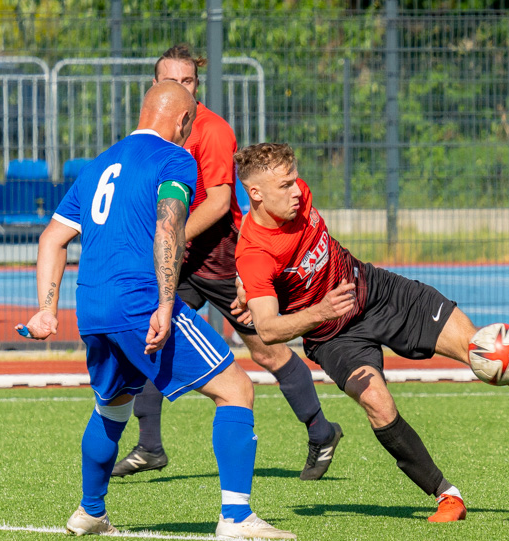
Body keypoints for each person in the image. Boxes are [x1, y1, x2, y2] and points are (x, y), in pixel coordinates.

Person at [231, 142, 509, 523]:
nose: (298, 191)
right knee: (378, 404)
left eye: (296, 180)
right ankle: (446, 495)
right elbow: (266, 330)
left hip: (377, 292)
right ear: (256, 194)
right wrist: (317, 309)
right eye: (285, 186)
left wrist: (254, 287)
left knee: (484, 349)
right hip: (332, 334)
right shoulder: (255, 254)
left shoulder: (296, 198)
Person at [16, 82, 295, 540]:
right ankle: (237, 517)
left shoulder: (98, 165)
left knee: (112, 406)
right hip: (140, 300)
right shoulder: (175, 159)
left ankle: (90, 512)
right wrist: (167, 304)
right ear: (184, 122)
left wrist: (47, 309)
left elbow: (52, 239)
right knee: (236, 388)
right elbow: (170, 229)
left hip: (93, 307)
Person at [112, 44, 342, 482]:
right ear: (154, 86)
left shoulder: (213, 131)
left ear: (197, 85)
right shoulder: (154, 133)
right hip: (180, 256)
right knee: (149, 335)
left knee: (266, 350)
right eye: (170, 81)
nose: (181, 88)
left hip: (218, 257)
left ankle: (321, 431)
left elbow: (218, 205)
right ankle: (149, 446)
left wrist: (168, 241)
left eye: (188, 81)